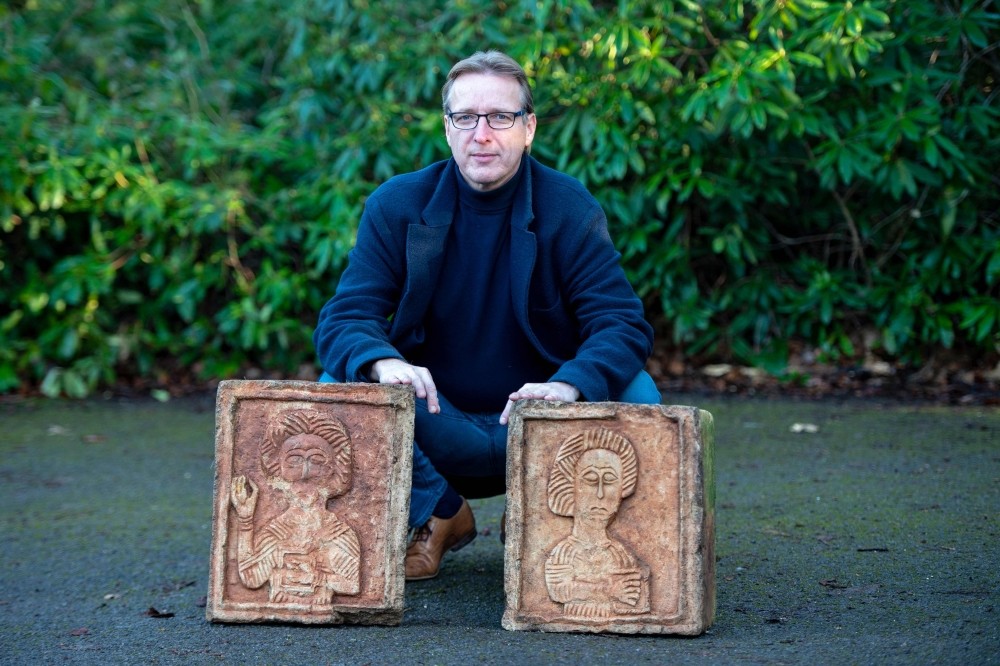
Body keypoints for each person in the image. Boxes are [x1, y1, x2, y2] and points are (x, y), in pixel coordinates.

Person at [313, 50, 659, 581]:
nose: (482, 133)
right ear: (447, 129)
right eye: (466, 118)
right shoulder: (396, 205)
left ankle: (608, 548)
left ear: (529, 128)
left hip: (542, 421)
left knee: (639, 394)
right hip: (430, 421)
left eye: (500, 117)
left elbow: (620, 322)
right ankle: (439, 510)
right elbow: (345, 316)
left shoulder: (569, 206)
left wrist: (569, 386)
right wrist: (383, 362)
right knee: (339, 379)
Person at [229, 409, 361, 603]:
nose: (305, 470)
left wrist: (319, 578)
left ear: (333, 467)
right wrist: (246, 520)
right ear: (278, 467)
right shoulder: (275, 532)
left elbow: (352, 584)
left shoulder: (339, 533)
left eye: (316, 459)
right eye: (294, 459)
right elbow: (252, 578)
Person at [544, 428, 650, 618]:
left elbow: (634, 599)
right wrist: (609, 588)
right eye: (591, 479)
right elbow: (557, 590)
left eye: (609, 480)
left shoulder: (620, 553)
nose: (600, 494)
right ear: (570, 486)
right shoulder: (564, 551)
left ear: (622, 489)